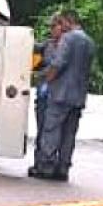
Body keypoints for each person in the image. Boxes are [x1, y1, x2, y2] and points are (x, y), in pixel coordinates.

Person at [29, 10, 94, 182]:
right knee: (69, 133)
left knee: (51, 130)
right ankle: (63, 167)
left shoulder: (68, 38)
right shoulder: (88, 41)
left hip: (60, 94)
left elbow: (58, 63)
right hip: (78, 96)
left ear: (67, 21)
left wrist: (47, 80)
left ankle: (47, 166)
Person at [31, 17, 64, 155]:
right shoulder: (47, 45)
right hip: (43, 93)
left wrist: (43, 74)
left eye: (53, 26)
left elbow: (58, 68)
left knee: (53, 130)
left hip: (58, 94)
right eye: (50, 27)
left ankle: (50, 159)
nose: (51, 30)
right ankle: (39, 159)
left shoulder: (66, 47)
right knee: (41, 126)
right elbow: (33, 49)